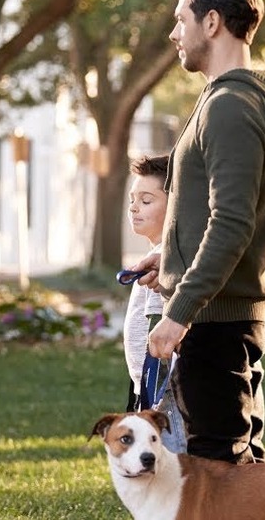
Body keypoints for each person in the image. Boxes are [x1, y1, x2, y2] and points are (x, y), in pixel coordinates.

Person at [136, 0, 265, 465]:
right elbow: (219, 213)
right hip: (223, 314)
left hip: (216, 322)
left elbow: (232, 222)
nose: (174, 32)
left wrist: (180, 311)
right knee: (241, 471)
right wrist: (170, 262)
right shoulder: (234, 99)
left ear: (211, 22)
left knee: (220, 471)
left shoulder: (232, 106)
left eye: (181, 19)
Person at [122, 155, 170, 412]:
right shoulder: (156, 254)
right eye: (132, 200)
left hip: (161, 396)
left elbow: (158, 331)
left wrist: (152, 402)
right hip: (147, 390)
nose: (134, 207)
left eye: (146, 200)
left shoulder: (163, 260)